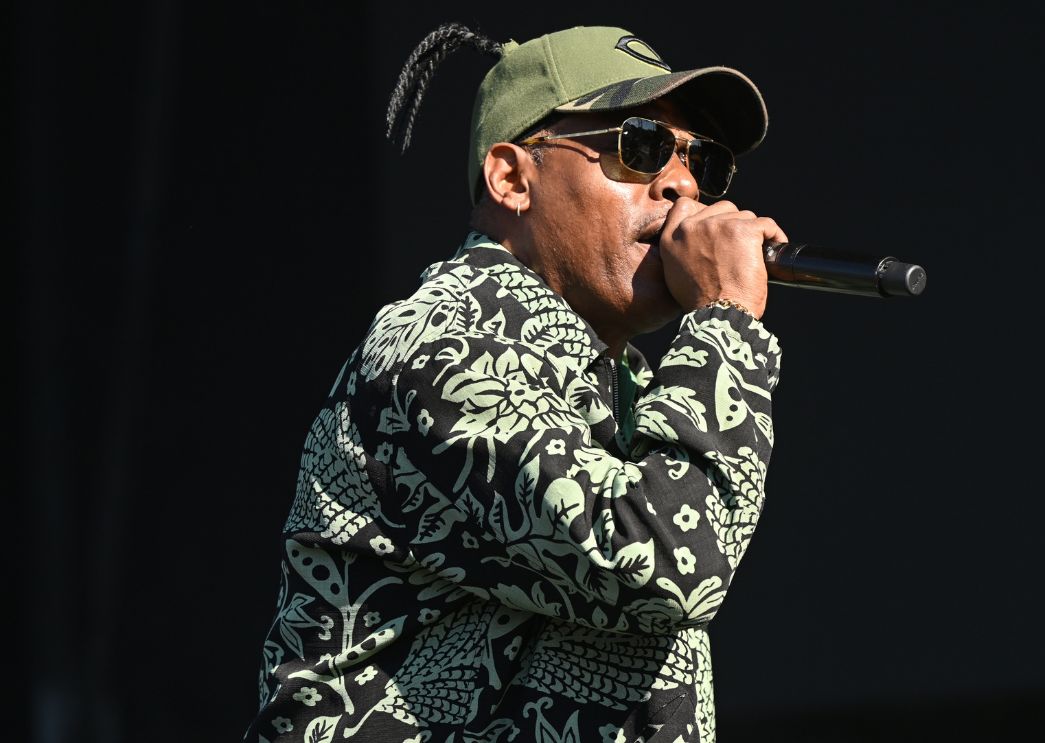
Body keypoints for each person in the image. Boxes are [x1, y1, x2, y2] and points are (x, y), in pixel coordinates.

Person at [243, 22, 787, 743]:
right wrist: (726, 320)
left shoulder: (617, 376)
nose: (682, 184)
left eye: (705, 164)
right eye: (640, 145)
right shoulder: (440, 346)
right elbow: (662, 560)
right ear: (511, 178)